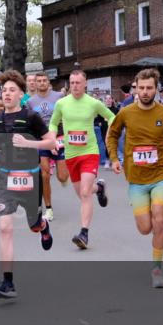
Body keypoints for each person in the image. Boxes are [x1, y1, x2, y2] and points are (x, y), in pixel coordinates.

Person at [105, 68, 163, 289]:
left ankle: (156, 269)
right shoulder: (125, 113)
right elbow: (112, 135)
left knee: (160, 219)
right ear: (136, 87)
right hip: (136, 178)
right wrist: (114, 158)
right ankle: (153, 226)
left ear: (156, 88)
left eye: (149, 88)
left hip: (161, 174)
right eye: (141, 88)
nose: (145, 92)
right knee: (145, 228)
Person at [0, 70, 56, 299]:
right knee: (5, 228)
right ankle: (8, 282)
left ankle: (42, 226)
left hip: (30, 179)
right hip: (6, 180)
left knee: (33, 224)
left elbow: (51, 142)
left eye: (12, 90)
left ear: (21, 93)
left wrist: (28, 143)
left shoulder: (31, 116)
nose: (8, 94)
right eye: (4, 90)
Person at [49, 69, 115, 249]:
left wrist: (110, 133)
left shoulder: (93, 103)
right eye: (72, 83)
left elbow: (112, 117)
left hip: (89, 152)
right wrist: (53, 138)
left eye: (78, 83)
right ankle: (99, 188)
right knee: (82, 193)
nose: (75, 86)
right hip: (71, 154)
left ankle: (84, 233)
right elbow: (53, 122)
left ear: (85, 84)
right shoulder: (62, 103)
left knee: (85, 193)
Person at [28, 72, 67, 221]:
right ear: (35, 84)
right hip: (42, 140)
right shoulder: (31, 102)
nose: (42, 83)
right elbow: (30, 123)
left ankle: (64, 177)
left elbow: (66, 115)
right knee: (44, 176)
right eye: (39, 81)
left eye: (44, 80)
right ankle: (49, 209)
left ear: (48, 82)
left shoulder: (58, 97)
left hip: (59, 137)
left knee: (62, 177)